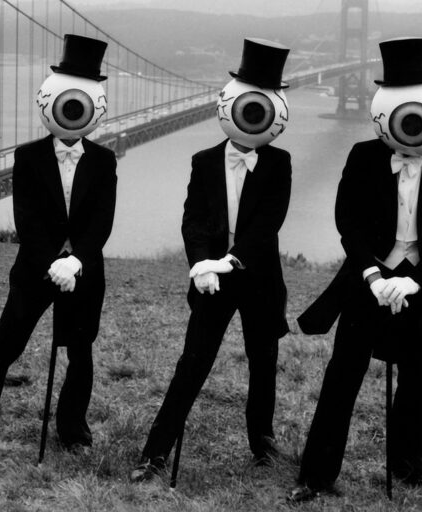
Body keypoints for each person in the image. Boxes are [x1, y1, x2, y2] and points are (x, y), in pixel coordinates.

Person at [288, 37, 422, 502]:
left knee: (415, 380)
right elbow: (347, 223)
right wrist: (373, 275)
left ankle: (409, 467)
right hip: (365, 283)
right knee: (342, 376)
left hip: (421, 287)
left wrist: (414, 280)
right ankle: (316, 475)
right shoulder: (362, 157)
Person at [0, 34, 117, 474]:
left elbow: (102, 221)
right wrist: (53, 262)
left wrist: (76, 260)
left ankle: (73, 431)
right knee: (2, 350)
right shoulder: (27, 156)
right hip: (34, 271)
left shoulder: (104, 160)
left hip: (84, 272)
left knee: (80, 353)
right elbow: (27, 220)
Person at [129, 38, 294, 482]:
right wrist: (202, 264)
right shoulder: (203, 161)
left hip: (258, 277)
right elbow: (194, 220)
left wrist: (229, 261)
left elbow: (268, 225)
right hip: (211, 279)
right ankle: (155, 453)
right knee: (192, 362)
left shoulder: (279, 163)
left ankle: (262, 445)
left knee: (263, 363)